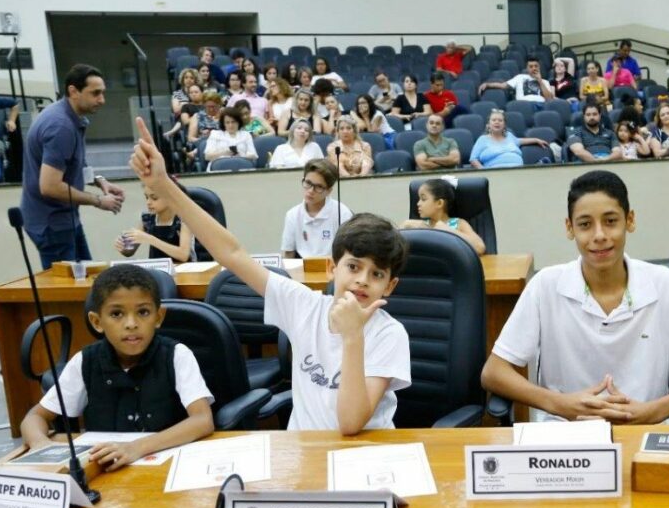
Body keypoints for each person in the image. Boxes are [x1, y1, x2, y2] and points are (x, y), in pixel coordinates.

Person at [129, 117, 411, 433]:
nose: (362, 280)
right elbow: (232, 254)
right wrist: (165, 185)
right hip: (304, 454)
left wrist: (353, 336)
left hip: (367, 456)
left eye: (376, 274)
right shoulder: (304, 304)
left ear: (390, 285)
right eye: (354, 266)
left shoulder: (389, 334)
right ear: (332, 268)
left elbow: (350, 424)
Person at [481, 170, 669, 423]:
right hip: (565, 435)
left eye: (610, 221)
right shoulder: (546, 285)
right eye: (585, 224)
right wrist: (560, 404)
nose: (599, 235)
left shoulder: (662, 283)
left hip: (642, 432)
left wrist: (652, 411)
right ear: (569, 228)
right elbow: (494, 372)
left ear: (630, 221)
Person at [20, 264, 215, 466]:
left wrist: (137, 447)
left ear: (158, 317)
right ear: (97, 322)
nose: (131, 323)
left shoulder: (177, 355)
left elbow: (202, 420)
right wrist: (41, 445)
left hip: (168, 464)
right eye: (116, 314)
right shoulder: (85, 361)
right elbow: (34, 417)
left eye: (143, 312)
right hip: (107, 471)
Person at [20, 64, 125, 268]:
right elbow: (50, 186)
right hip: (52, 224)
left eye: (102, 93)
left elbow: (74, 161)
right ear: (73, 91)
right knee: (67, 293)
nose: (102, 100)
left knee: (89, 284)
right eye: (95, 93)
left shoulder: (69, 118)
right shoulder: (61, 126)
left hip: (62, 220)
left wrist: (100, 181)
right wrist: (98, 201)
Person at [281, 159, 352, 259]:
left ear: (328, 191)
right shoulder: (292, 215)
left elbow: (349, 253)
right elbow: (288, 253)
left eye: (318, 187)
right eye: (308, 183)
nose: (310, 191)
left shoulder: (342, 213)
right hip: (301, 270)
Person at [114, 181, 196, 263]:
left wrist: (150, 239)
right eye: (146, 197)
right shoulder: (147, 219)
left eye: (154, 198)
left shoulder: (184, 219)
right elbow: (130, 252)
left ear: (170, 197)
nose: (148, 202)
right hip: (157, 270)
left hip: (183, 270)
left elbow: (183, 255)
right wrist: (124, 248)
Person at [400, 177, 486, 255]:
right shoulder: (418, 226)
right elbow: (395, 250)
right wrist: (404, 228)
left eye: (423, 199)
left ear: (439, 203)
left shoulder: (458, 224)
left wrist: (448, 231)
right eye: (419, 199)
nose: (418, 204)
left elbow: (479, 247)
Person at [470, 109, 549, 169]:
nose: (497, 122)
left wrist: (536, 140)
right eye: (494, 120)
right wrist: (484, 171)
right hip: (496, 173)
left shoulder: (510, 136)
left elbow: (521, 141)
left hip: (518, 170)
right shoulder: (482, 139)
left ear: (504, 125)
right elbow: (473, 159)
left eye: (500, 120)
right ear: (488, 125)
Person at [480, 57, 554, 106]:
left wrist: (540, 81)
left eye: (536, 66)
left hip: (539, 105)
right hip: (522, 105)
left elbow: (549, 99)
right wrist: (487, 84)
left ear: (539, 67)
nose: (534, 68)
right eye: (531, 66)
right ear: (527, 68)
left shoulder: (545, 82)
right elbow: (503, 85)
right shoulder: (520, 77)